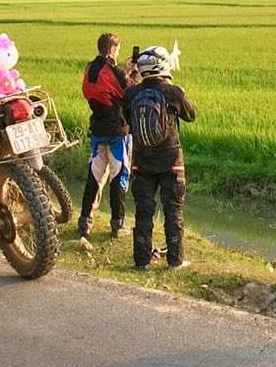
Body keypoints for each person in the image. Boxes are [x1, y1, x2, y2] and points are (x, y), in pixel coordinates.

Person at [123, 44, 195, 271]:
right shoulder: (172, 92)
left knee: (144, 212)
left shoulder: (131, 93)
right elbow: (191, 115)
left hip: (141, 160)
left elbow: (127, 117)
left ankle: (141, 261)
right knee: (173, 210)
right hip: (171, 159)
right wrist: (177, 92)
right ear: (162, 64)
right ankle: (176, 261)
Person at [77, 32, 134, 239]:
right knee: (119, 176)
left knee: (94, 176)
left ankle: (84, 221)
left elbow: (101, 90)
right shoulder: (115, 71)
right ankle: (118, 225)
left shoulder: (89, 68)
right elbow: (129, 93)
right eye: (117, 49)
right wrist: (130, 73)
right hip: (117, 132)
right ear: (112, 49)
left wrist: (124, 72)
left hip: (97, 130)